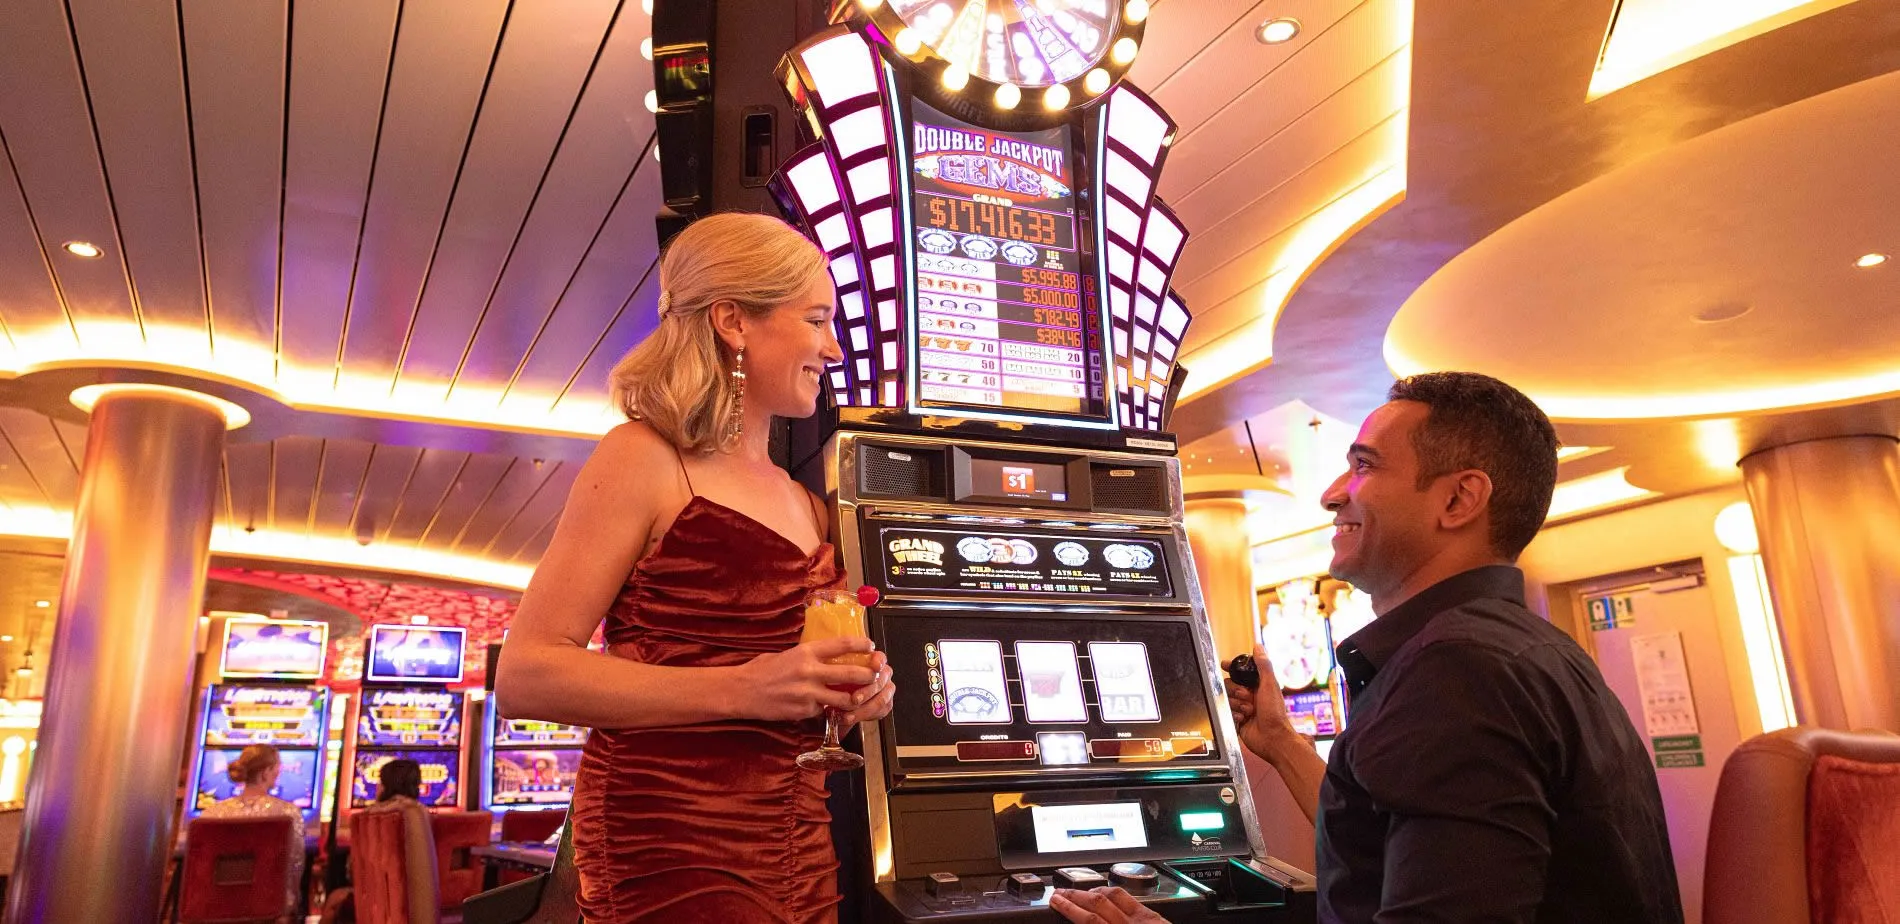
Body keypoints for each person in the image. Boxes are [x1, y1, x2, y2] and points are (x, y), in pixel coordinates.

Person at [1052, 372, 1682, 924]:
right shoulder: (1530, 653)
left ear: (1458, 499)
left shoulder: (1460, 672)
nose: (1332, 493)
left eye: (1365, 465)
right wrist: (1279, 741)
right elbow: (1385, 844)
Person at [494, 212, 898, 924]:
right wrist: (746, 687)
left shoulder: (807, 501)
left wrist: (860, 695)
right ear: (733, 321)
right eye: (816, 319)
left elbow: (796, 687)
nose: (833, 348)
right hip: (668, 840)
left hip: (796, 838)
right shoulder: (644, 457)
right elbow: (527, 674)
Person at [200, 744, 305, 918]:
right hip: (268, 910)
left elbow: (202, 871)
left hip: (217, 908)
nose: (279, 773)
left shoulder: (211, 813)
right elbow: (294, 870)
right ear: (265, 772)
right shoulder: (288, 814)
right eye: (276, 768)